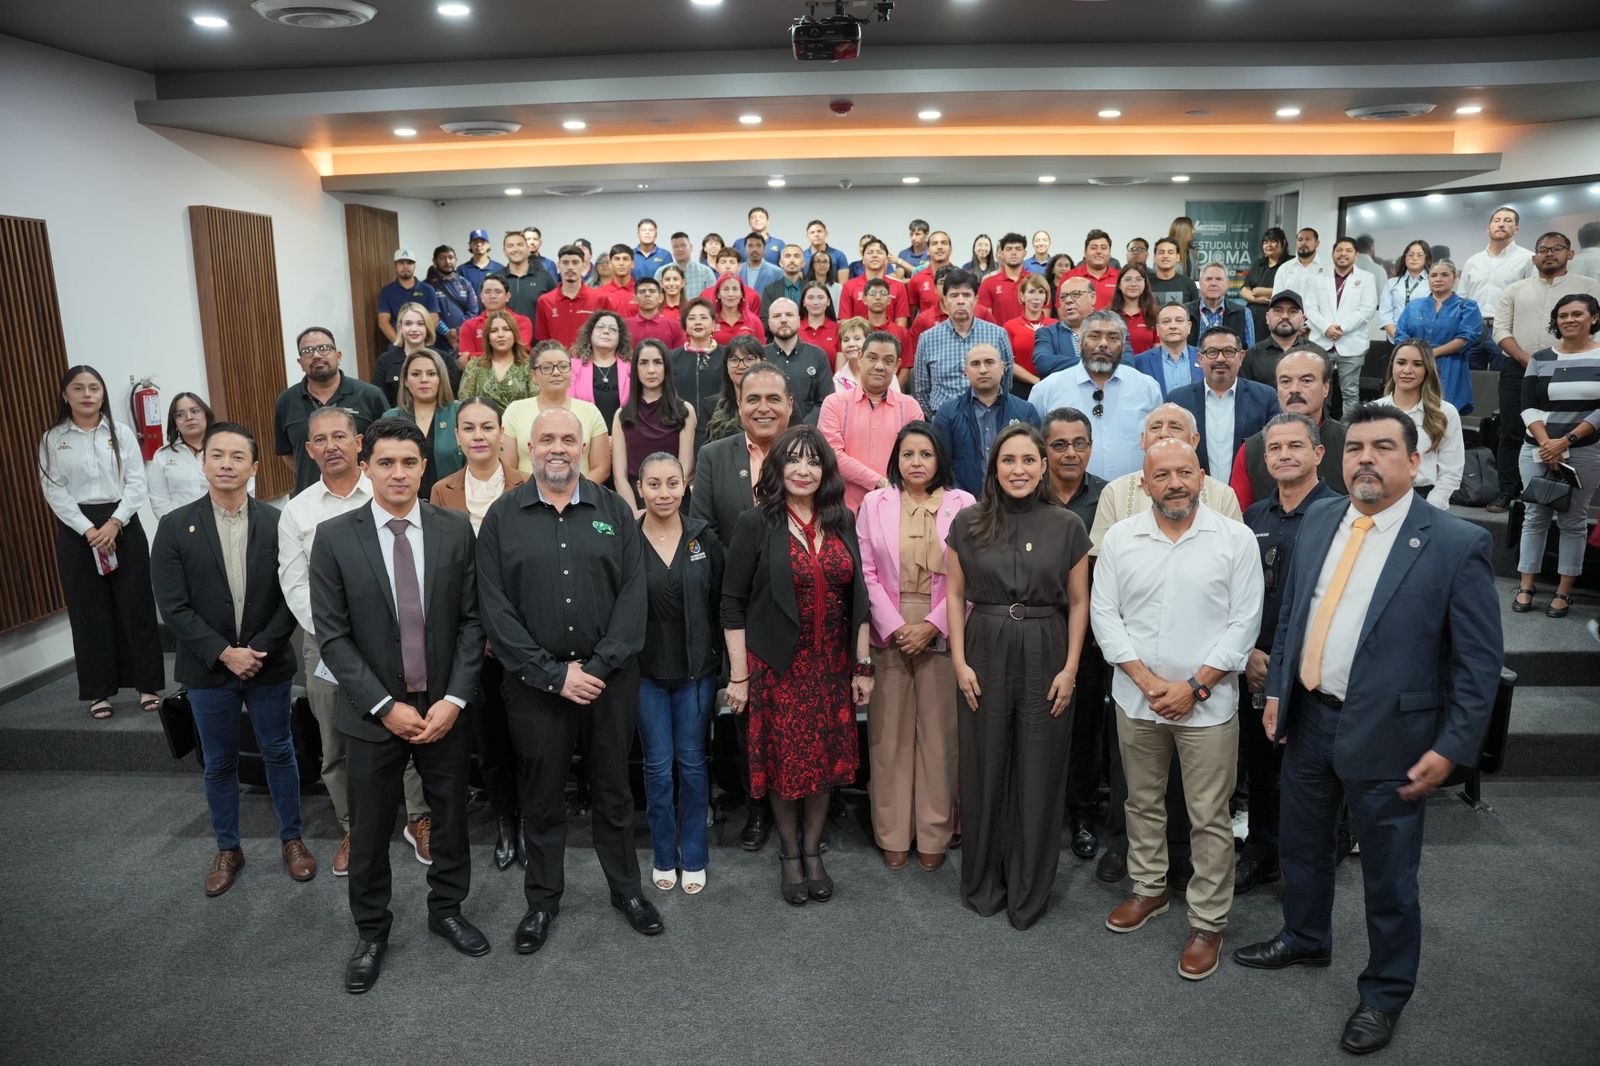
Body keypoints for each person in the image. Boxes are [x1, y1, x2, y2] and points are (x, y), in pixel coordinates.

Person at [1234, 403, 1502, 1057]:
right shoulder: (1322, 518)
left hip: (1393, 737)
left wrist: (1452, 747)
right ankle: (1305, 937)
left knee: (1388, 878)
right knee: (1302, 846)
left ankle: (1384, 993)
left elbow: (1478, 664)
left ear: (1414, 459)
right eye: (1355, 447)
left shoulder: (1454, 543)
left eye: (1382, 447)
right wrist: (1278, 693)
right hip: (1310, 718)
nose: (1366, 459)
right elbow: (1294, 615)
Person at [310, 417, 488, 994]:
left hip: (443, 709)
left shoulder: (455, 530)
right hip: (373, 711)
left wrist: (455, 698)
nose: (398, 473)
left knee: (451, 818)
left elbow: (472, 622)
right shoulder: (335, 536)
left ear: (424, 469)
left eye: (409, 463)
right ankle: (371, 931)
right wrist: (385, 705)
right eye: (386, 462)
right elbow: (333, 637)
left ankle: (447, 910)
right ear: (366, 467)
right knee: (368, 829)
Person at [476, 406, 661, 951]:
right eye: (546, 439)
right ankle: (542, 901)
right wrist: (554, 676)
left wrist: (595, 669)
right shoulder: (502, 517)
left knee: (614, 792)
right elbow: (495, 609)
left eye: (568, 439)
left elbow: (634, 598)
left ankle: (627, 891)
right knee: (541, 798)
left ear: (583, 448)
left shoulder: (614, 511)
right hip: (534, 687)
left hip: (608, 683)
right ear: (528, 448)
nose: (557, 448)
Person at [1092, 437, 1263, 981]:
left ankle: (1208, 921)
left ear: (1202, 477)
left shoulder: (1234, 540)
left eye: (1184, 473)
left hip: (1208, 708)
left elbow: (1244, 624)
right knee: (1141, 802)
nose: (1174, 484)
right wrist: (1145, 681)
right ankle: (1150, 888)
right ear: (1144, 483)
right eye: (1162, 475)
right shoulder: (1121, 538)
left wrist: (1195, 686)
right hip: (1135, 699)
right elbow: (1105, 616)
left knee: (1208, 814)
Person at [152, 422, 310, 895]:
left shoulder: (277, 522)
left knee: (279, 751)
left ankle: (293, 840)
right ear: (203, 464)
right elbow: (173, 605)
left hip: (266, 662)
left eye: (237, 456)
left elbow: (291, 593)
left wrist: (258, 649)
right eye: (217, 455)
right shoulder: (175, 526)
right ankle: (228, 848)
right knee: (218, 761)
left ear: (254, 467)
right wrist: (224, 653)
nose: (226, 464)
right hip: (207, 668)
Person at [945, 423, 1090, 928]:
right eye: (1008, 460)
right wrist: (958, 662)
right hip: (983, 646)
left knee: (1039, 767)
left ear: (1043, 466)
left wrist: (1070, 669)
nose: (1019, 469)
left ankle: (1029, 889)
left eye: (1029, 460)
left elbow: (1079, 602)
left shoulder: (1067, 525)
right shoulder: (967, 522)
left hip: (1047, 647)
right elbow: (954, 595)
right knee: (984, 763)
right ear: (994, 468)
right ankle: (984, 881)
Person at [722, 425, 872, 905]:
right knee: (786, 763)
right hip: (777, 666)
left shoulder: (843, 519)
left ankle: (813, 850)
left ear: (826, 470)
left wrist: (862, 665)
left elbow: (859, 598)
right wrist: (740, 675)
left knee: (824, 760)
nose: (803, 470)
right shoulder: (755, 522)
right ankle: (789, 854)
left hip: (831, 665)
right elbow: (732, 603)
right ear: (777, 467)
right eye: (793, 460)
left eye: (813, 461)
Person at [857, 423, 975, 871]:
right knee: (888, 737)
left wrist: (931, 625)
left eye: (926, 454)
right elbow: (865, 572)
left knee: (940, 738)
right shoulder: (874, 503)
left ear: (939, 458)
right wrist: (894, 625)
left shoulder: (963, 504)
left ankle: (934, 832)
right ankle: (892, 832)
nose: (916, 462)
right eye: (908, 454)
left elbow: (971, 577)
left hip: (945, 626)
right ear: (896, 460)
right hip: (888, 628)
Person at [690, 362, 795, 851]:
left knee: (798, 711)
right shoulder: (714, 456)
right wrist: (746, 575)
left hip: (800, 607)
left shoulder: (809, 453)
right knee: (747, 712)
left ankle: (800, 798)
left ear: (790, 404)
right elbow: (703, 530)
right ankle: (756, 806)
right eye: (753, 399)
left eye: (773, 398)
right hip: (738, 608)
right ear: (738, 404)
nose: (763, 408)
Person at [1237, 413, 1340, 895]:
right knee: (1261, 767)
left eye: (1295, 446)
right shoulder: (1253, 518)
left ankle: (1308, 868)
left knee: (1309, 777)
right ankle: (1261, 853)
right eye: (1274, 448)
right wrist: (1248, 654)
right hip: (1256, 667)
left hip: (1312, 672)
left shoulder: (1341, 517)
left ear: (1318, 453)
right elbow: (1236, 595)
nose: (1283, 455)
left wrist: (1286, 662)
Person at [429, 396, 529, 872]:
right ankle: (505, 820)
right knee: (490, 740)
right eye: (468, 428)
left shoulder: (525, 483)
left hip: (523, 632)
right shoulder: (441, 490)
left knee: (529, 737)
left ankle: (531, 821)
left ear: (501, 433)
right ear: (457, 436)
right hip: (470, 636)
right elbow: (442, 569)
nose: (478, 436)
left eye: (487, 426)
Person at [38, 365, 164, 720]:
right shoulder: (52, 439)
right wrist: (88, 530)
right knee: (88, 611)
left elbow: (137, 482)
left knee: (136, 606)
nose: (87, 394)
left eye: (94, 387)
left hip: (123, 523)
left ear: (103, 393)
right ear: (66, 395)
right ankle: (99, 692)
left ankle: (148, 685)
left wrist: (114, 523)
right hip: (77, 530)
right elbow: (54, 490)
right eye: (78, 388)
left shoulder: (120, 432)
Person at [629, 453, 723, 895]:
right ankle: (664, 855)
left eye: (672, 483)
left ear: (685, 486)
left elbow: (722, 603)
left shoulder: (704, 538)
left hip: (695, 675)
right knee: (657, 768)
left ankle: (696, 856)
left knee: (692, 765)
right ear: (639, 488)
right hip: (644, 674)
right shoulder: (626, 539)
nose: (664, 493)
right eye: (654, 484)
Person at [1489, 232, 1600, 512]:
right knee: (1512, 431)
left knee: (1572, 428)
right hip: (1518, 366)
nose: (1549, 253)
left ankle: (1567, 493)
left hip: (1577, 368)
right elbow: (1500, 329)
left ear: (1570, 254)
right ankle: (1508, 492)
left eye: (1557, 248)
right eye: (1543, 249)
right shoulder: (1515, 289)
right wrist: (1527, 360)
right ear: (1534, 257)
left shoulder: (1589, 287)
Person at [1041, 408, 1110, 860]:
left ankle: (1083, 812)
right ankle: (1039, 814)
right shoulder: (1026, 491)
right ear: (1045, 449)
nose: (1071, 453)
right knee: (1037, 727)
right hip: (1036, 628)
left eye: (1079, 443)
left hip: (1091, 634)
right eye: (1060, 444)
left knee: (1086, 727)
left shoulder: (1108, 496)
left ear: (1090, 446)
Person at [1512, 293, 1600, 619]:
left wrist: (1565, 441)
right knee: (1534, 516)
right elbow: (1527, 405)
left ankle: (1564, 591)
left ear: (1594, 318)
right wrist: (1546, 443)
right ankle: (1526, 584)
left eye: (1577, 314)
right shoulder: (1540, 358)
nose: (1569, 320)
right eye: (1563, 315)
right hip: (1536, 448)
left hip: (1584, 450)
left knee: (1573, 521)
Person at [1029, 310, 1163, 480]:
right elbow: (1031, 447)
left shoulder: (1147, 387)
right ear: (1080, 343)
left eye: (1113, 338)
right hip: (1067, 493)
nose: (1103, 344)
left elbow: (1159, 444)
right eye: (1094, 336)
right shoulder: (1047, 389)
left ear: (1123, 348)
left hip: (1134, 490)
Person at [1088, 403, 1244, 548]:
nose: (1163, 434)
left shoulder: (1223, 495)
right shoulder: (1114, 493)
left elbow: (1237, 550)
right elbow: (1100, 557)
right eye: (1155, 427)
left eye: (1175, 427)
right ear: (1143, 440)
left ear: (1194, 440)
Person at [273, 327, 388, 494]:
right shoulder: (286, 401)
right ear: (300, 362)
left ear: (338, 356)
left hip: (366, 495)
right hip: (311, 497)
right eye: (307, 351)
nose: (316, 355)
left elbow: (388, 445)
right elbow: (288, 454)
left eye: (324, 348)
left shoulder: (370, 396)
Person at [1230, 349, 1349, 510]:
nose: (1294, 389)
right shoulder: (1250, 451)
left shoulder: (1351, 443)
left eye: (1306, 381)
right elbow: (1238, 518)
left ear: (1326, 387)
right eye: (1285, 381)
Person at [819, 330, 923, 510]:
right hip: (844, 509)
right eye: (872, 358)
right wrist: (879, 482)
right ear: (860, 357)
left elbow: (917, 455)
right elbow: (831, 455)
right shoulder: (834, 403)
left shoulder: (910, 408)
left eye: (888, 361)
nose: (879, 366)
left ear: (897, 365)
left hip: (896, 506)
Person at [1170, 326, 1281, 476]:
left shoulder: (1265, 397)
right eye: (1212, 352)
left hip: (1248, 487)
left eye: (1228, 351)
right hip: (1196, 487)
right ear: (1200, 359)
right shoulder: (1178, 401)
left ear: (1241, 357)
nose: (1220, 359)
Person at [933, 343, 1042, 495]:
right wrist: (962, 499)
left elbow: (1036, 461)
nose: (983, 369)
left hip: (1016, 500)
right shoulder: (948, 413)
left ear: (1003, 367)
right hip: (964, 502)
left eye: (989, 362)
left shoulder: (1025, 411)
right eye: (975, 364)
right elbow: (941, 464)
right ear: (966, 371)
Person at [501, 342, 611, 483]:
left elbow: (601, 468)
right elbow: (507, 467)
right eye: (546, 367)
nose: (556, 372)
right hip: (526, 492)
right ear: (533, 375)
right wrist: (541, 490)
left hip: (581, 494)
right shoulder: (515, 411)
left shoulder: (591, 411)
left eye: (563, 366)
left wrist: (573, 491)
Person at [1374, 340, 1464, 508]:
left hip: (1425, 500)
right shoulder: (1373, 411)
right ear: (1392, 366)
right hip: (1379, 500)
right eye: (1401, 363)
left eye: (1417, 364)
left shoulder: (1446, 412)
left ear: (1427, 369)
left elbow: (1451, 472)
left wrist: (1429, 508)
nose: (1407, 370)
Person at [914, 268, 1015, 415]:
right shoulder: (927, 338)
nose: (960, 301)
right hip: (944, 419)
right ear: (945, 300)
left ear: (975, 300)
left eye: (967, 295)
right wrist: (936, 419)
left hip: (989, 415)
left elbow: (1006, 380)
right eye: (954, 295)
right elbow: (922, 389)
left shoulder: (998, 335)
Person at [612, 339, 696, 511]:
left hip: (676, 501)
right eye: (644, 363)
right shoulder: (622, 416)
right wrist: (634, 514)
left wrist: (668, 502)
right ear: (635, 368)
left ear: (666, 367)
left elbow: (686, 469)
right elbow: (620, 476)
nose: (651, 370)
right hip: (637, 502)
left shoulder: (684, 411)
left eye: (657, 362)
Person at [1303, 237, 1380, 417]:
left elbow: (1367, 309)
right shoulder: (1318, 277)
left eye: (1348, 250)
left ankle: (1348, 431)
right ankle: (1318, 428)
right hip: (1321, 342)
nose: (1343, 254)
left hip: (1351, 344)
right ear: (1332, 253)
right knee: (1318, 392)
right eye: (1339, 250)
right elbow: (1310, 307)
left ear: (1356, 254)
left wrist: (1341, 328)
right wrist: (1326, 328)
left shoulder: (1367, 278)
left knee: (1350, 393)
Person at [1394, 260, 1482, 415]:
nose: (1438, 279)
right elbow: (1400, 334)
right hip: (1415, 366)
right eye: (1433, 275)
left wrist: (1430, 354)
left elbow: (1466, 339)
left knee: (1444, 415)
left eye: (1444, 275)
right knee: (1410, 414)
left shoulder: (1467, 307)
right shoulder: (1413, 306)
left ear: (1455, 278)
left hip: (1450, 367)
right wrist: (1417, 356)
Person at [381, 348, 463, 503]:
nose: (424, 379)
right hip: (404, 504)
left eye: (431, 374)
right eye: (416, 374)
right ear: (405, 380)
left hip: (452, 504)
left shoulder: (459, 413)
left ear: (441, 378)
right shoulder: (390, 418)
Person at [1459, 205, 1535, 371]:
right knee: (1471, 378)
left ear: (1516, 229)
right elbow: (1461, 298)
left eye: (1508, 221)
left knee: (1503, 377)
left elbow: (1533, 297)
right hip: (1474, 328)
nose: (1501, 224)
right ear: (1488, 228)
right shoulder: (1473, 261)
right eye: (1497, 220)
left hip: (1507, 329)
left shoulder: (1528, 259)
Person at [148, 391, 228, 519]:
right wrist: (176, 526)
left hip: (225, 522)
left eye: (195, 411)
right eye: (180, 414)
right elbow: (159, 501)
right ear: (174, 422)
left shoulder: (226, 448)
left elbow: (243, 489)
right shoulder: (162, 456)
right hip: (180, 526)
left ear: (206, 415)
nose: (189, 417)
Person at [373, 302, 462, 407]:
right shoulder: (385, 361)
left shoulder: (444, 359)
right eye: (408, 324)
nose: (414, 329)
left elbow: (454, 397)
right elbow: (379, 402)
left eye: (420, 324)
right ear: (400, 327)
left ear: (427, 327)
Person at [763, 296, 834, 424]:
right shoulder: (760, 357)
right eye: (777, 316)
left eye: (789, 315)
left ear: (799, 320)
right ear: (769, 323)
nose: (783, 320)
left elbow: (826, 401)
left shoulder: (818, 356)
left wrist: (802, 430)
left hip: (808, 432)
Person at [1239, 290, 1329, 390]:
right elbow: (1244, 394)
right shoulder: (1251, 356)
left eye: (1293, 311)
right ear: (1267, 317)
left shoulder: (1317, 355)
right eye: (1278, 310)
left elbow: (1323, 394)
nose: (1285, 316)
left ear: (1303, 319)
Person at [458, 309, 536, 410]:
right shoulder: (475, 365)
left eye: (506, 329)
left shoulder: (529, 365)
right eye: (494, 331)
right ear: (488, 338)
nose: (500, 335)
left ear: (514, 335)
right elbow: (465, 403)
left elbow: (536, 403)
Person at [570, 310, 633, 433]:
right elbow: (569, 405)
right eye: (600, 327)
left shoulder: (631, 367)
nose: (606, 331)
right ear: (590, 333)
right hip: (584, 435)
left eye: (613, 329)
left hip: (623, 437)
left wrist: (615, 438)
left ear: (620, 338)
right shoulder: (573, 366)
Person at [699, 336, 766, 445]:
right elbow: (702, 450)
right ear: (726, 365)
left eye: (749, 359)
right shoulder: (710, 406)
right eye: (734, 360)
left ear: (763, 363)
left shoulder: (778, 403)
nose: (741, 366)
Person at [670, 297, 725, 427]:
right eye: (692, 318)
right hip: (680, 426)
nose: (698, 322)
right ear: (685, 325)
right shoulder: (671, 358)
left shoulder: (727, 355)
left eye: (703, 317)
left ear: (713, 323)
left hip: (719, 426)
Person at [535, 245, 604, 348]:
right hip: (556, 358)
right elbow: (542, 341)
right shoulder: (545, 301)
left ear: (584, 265)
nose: (570, 267)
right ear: (558, 266)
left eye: (575, 262)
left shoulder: (600, 299)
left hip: (589, 357)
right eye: (565, 262)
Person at [1129, 303, 1202, 399]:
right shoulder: (1140, 362)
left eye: (1179, 321)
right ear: (1157, 329)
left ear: (1189, 327)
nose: (1173, 326)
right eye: (1166, 321)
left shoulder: (1204, 358)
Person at [457, 274, 534, 361]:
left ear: (507, 296)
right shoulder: (469, 326)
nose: (492, 296)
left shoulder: (522, 321)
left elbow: (520, 353)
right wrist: (504, 354)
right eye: (487, 292)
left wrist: (473, 356)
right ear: (481, 297)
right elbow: (465, 361)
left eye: (498, 292)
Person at [1002, 274, 1055, 397]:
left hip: (1051, 386)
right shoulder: (1010, 326)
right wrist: (1036, 381)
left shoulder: (1055, 325)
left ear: (1046, 297)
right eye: (1031, 292)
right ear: (1022, 296)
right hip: (1019, 388)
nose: (1036, 297)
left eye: (1041, 292)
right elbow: (1008, 363)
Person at [1032, 276, 1098, 376]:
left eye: (1076, 294)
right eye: (1063, 297)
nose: (1068, 300)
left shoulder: (1111, 330)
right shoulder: (1047, 333)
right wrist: (1095, 365)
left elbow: (1123, 363)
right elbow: (1043, 362)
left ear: (1092, 298)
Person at [376, 249, 441, 348]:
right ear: (395, 266)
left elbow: (434, 318)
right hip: (398, 346)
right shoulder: (386, 291)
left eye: (409, 263)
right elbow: (383, 322)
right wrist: (400, 343)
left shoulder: (428, 289)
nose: (405, 266)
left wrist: (420, 341)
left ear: (414, 266)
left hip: (424, 344)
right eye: (401, 263)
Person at [839, 238, 912, 325]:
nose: (875, 255)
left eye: (879, 252)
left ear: (886, 259)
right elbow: (845, 323)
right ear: (863, 260)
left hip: (889, 334)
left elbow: (901, 324)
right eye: (870, 252)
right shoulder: (849, 286)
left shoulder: (898, 286)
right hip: (859, 334)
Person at [1185, 261, 1257, 349]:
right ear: (1200, 283)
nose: (1213, 283)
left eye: (1218, 279)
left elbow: (1250, 351)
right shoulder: (1185, 312)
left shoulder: (1243, 313)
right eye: (1208, 279)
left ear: (1228, 284)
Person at [427, 244, 479, 352]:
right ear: (434, 261)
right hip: (437, 342)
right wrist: (447, 333)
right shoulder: (428, 286)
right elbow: (430, 315)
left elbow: (473, 312)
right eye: (442, 258)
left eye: (450, 257)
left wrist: (458, 330)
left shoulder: (465, 283)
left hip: (464, 338)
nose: (447, 261)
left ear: (456, 259)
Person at [1242, 227, 1289, 341]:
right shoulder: (1259, 264)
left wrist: (1263, 291)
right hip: (1252, 316)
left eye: (1273, 241)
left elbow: (1291, 290)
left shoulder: (1290, 264)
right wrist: (1258, 299)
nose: (1268, 245)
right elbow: (1243, 290)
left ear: (1283, 243)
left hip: (1277, 318)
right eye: (1265, 242)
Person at [1379, 240, 1432, 341]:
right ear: (1405, 258)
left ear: (1426, 258)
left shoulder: (1432, 283)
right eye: (1410, 255)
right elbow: (1385, 315)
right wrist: (1400, 338)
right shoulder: (1392, 283)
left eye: (1420, 255)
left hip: (1424, 341)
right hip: (1394, 339)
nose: (1414, 258)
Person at [976, 232, 1030, 325]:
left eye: (1018, 249)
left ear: (1025, 253)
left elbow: (1044, 319)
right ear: (1002, 253)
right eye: (1009, 249)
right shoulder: (988, 283)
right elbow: (984, 321)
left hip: (1030, 334)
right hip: (999, 334)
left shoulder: (1035, 281)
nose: (1013, 253)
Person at [500, 230, 557, 318]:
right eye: (510, 246)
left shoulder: (545, 277)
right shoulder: (496, 279)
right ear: (504, 251)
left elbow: (556, 309)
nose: (515, 249)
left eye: (520, 245)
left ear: (527, 249)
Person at [1063, 229, 1121, 310]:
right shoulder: (1069, 277)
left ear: (1110, 252)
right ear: (1085, 252)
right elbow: (1062, 310)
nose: (1099, 251)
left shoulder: (1121, 277)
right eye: (1094, 248)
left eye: (1103, 248)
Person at [625, 276, 686, 349]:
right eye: (642, 291)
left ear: (661, 298)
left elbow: (680, 354)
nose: (647, 294)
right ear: (635, 299)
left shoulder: (674, 326)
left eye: (652, 291)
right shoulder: (625, 326)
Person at [1271, 228, 1327, 306]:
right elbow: (1276, 298)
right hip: (1291, 313)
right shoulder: (1284, 269)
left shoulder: (1328, 269)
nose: (1303, 243)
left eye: (1308, 239)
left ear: (1317, 243)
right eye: (1300, 240)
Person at [908, 230, 956, 317]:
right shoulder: (917, 279)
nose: (939, 247)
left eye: (944, 243)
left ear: (951, 250)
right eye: (934, 244)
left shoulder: (963, 277)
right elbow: (911, 318)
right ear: (928, 251)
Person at [710, 273, 765, 347]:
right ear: (718, 294)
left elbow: (761, 350)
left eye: (735, 289)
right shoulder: (710, 320)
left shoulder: (754, 321)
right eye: (726, 289)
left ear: (742, 294)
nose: (731, 294)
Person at [761, 243, 809, 318]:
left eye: (796, 256)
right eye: (787, 256)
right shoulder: (770, 290)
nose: (792, 260)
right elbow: (765, 319)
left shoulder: (811, 289)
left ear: (803, 263)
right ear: (780, 263)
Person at [1148, 237, 1199, 307]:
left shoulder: (1189, 284)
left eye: (1170, 252)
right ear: (1154, 257)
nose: (1165, 256)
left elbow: (1195, 311)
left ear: (1177, 257)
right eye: (1161, 252)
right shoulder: (1145, 284)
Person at [799, 279, 840, 361]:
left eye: (820, 297)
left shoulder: (839, 329)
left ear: (828, 301)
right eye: (810, 298)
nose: (815, 302)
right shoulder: (795, 328)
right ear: (804, 302)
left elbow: (840, 367)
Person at [595, 244, 639, 315]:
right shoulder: (599, 293)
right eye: (617, 259)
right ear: (610, 264)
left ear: (632, 264)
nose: (621, 263)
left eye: (625, 259)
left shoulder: (641, 293)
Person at [460, 228, 505, 293]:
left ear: (488, 245)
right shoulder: (462, 270)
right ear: (470, 245)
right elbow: (459, 294)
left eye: (482, 241)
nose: (479, 244)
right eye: (475, 241)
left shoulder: (500, 269)